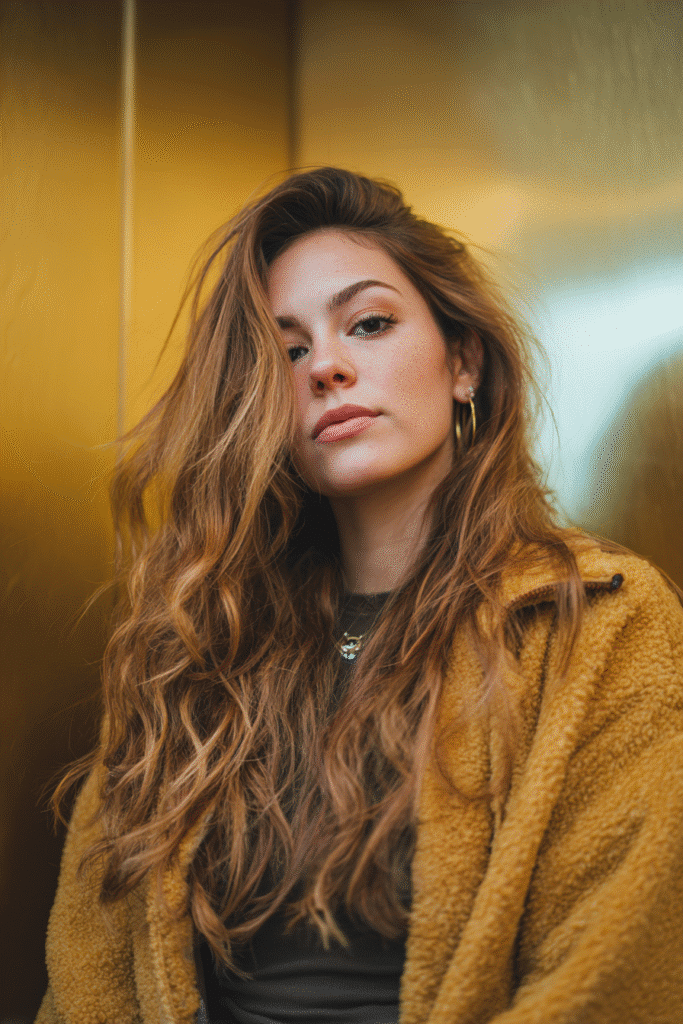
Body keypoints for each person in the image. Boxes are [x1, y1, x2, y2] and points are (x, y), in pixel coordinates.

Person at [37, 167, 683, 1024]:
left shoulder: (597, 620)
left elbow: (614, 964)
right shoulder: (195, 644)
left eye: (368, 324)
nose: (326, 368)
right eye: (287, 350)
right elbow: (92, 972)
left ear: (463, 361)